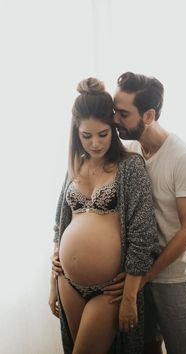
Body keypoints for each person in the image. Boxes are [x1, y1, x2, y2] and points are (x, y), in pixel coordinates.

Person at [48, 77, 160, 354]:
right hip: (68, 283)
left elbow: (142, 234)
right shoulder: (74, 166)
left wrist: (130, 296)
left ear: (112, 129)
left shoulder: (130, 167)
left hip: (110, 290)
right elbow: (60, 223)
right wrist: (53, 283)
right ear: (76, 133)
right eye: (86, 136)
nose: (95, 143)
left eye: (103, 134)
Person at [103, 72, 186, 354]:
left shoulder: (185, 158)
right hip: (140, 273)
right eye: (114, 111)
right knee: (146, 347)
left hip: (176, 279)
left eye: (123, 114)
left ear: (148, 116)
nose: (114, 120)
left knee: (181, 349)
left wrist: (146, 275)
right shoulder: (132, 150)